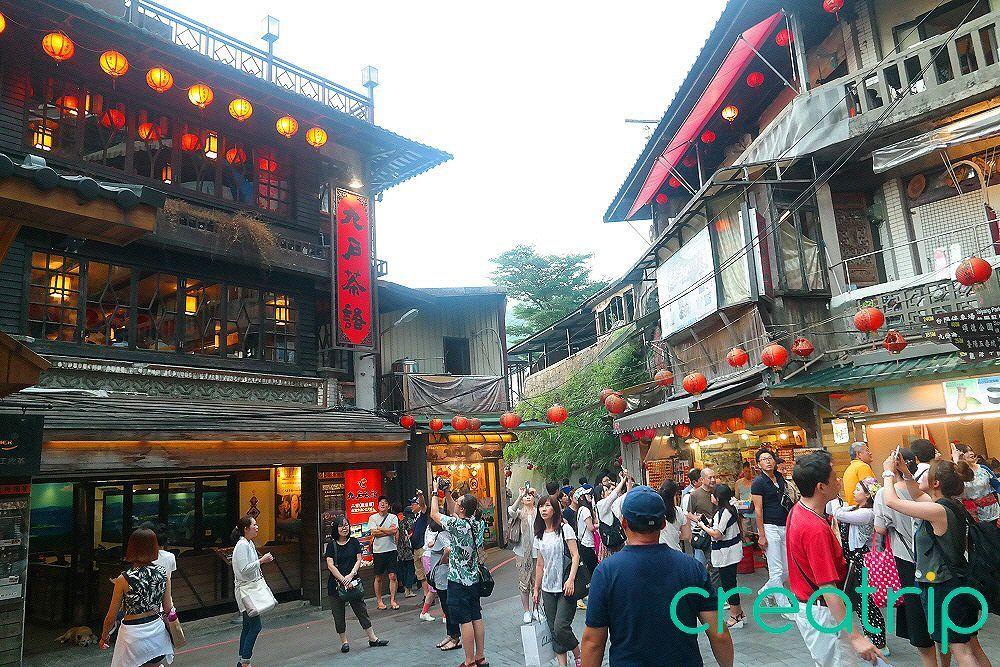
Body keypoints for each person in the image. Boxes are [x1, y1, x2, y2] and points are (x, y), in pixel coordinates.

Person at [581, 485, 733, 667]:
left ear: (623, 523)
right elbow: (719, 633)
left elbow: (593, 642)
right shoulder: (691, 568)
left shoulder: (606, 572)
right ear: (663, 523)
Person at [882, 447, 993, 666]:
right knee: (971, 644)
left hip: (944, 587)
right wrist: (904, 472)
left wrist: (887, 473)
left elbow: (892, 502)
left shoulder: (937, 510)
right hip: (957, 582)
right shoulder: (949, 505)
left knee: (960, 649)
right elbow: (916, 493)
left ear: (936, 484)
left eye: (926, 475)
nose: (920, 477)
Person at [786, 451, 882, 666]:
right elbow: (827, 587)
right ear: (821, 486)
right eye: (834, 477)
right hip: (822, 612)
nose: (838, 481)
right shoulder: (814, 528)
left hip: (812, 607)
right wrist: (855, 636)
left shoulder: (797, 511)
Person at [873, 447, 945, 667]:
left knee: (919, 624)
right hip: (934, 563)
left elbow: (880, 528)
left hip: (906, 562)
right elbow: (916, 491)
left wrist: (888, 474)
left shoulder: (884, 494)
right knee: (940, 622)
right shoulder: (928, 496)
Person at [429, 480, 489, 667]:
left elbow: (434, 514)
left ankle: (469, 661)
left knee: (465, 621)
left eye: (458, 501)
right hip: (473, 578)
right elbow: (452, 509)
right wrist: (446, 493)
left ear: (462, 509)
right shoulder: (476, 523)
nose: (455, 501)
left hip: (458, 579)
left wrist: (434, 492)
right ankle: (480, 657)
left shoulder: (457, 525)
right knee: (476, 616)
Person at [100, 528, 174, 667]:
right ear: (154, 547)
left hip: (132, 638)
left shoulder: (123, 579)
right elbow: (168, 608)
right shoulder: (163, 574)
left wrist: (104, 636)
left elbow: (111, 616)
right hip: (157, 635)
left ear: (131, 549)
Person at [831, 478, 887, 653]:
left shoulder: (868, 513)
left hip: (862, 562)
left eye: (858, 489)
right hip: (853, 561)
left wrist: (833, 492)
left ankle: (879, 641)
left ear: (868, 495)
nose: (854, 492)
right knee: (857, 600)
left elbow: (838, 513)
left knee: (866, 601)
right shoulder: (856, 509)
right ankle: (869, 636)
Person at [324, 515, 388, 652]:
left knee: (361, 610)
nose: (344, 527)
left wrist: (351, 575)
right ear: (336, 528)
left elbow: (358, 560)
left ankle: (372, 638)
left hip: (353, 582)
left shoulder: (354, 542)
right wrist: (343, 579)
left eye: (346, 525)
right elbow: (330, 565)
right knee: (338, 614)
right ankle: (344, 642)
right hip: (336, 585)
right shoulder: (332, 545)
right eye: (341, 525)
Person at [533, 494, 582, 667]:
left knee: (561, 627)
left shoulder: (564, 529)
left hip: (565, 586)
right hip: (547, 588)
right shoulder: (539, 535)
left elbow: (576, 555)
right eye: (541, 506)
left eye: (547, 506)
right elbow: (539, 564)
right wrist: (536, 589)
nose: (543, 509)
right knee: (554, 630)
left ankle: (577, 653)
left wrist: (570, 580)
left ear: (555, 509)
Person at [693, 484, 746, 629]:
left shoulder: (724, 512)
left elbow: (717, 534)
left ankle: (735, 616)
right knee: (730, 582)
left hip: (726, 554)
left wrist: (703, 527)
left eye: (713, 494)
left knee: (729, 585)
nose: (711, 497)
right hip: (731, 552)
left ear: (718, 497)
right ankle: (739, 613)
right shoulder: (730, 509)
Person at [750, 448, 791, 608]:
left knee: (787, 570)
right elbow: (758, 509)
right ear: (759, 464)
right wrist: (761, 534)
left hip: (784, 525)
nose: (768, 461)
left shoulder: (780, 478)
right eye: (764, 459)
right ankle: (784, 606)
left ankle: (765, 591)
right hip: (769, 526)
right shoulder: (758, 482)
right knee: (776, 569)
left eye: (770, 458)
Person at [231, 516, 272, 667]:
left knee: (248, 626)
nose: (257, 527)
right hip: (246, 591)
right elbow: (244, 569)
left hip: (248, 589)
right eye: (254, 525)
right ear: (245, 529)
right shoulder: (242, 545)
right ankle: (245, 661)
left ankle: (242, 660)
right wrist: (262, 561)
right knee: (255, 626)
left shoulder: (249, 543)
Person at [508, 484, 539, 624]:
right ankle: (527, 611)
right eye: (526, 496)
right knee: (524, 582)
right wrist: (519, 495)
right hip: (522, 553)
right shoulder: (519, 513)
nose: (528, 497)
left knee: (537, 583)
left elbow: (553, 509)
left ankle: (537, 609)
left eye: (530, 495)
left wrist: (537, 494)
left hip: (538, 553)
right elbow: (510, 511)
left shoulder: (539, 511)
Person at [686, 467, 719, 587]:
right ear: (702, 479)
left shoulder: (718, 491)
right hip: (705, 533)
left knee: (717, 564)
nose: (713, 480)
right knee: (710, 563)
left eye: (714, 477)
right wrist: (699, 520)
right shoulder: (695, 494)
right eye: (710, 477)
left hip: (719, 531)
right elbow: (689, 513)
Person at [367, 496, 400, 610]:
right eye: (381, 503)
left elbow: (395, 530)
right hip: (378, 551)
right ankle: (379, 601)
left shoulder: (393, 517)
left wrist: (380, 529)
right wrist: (388, 531)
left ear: (388, 506)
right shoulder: (372, 517)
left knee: (393, 576)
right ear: (377, 505)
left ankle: (392, 600)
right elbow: (373, 532)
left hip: (391, 549)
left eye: (385, 503)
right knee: (378, 577)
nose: (383, 504)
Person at [955, 443, 1000, 523]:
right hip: (974, 515)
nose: (971, 453)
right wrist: (956, 461)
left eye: (971, 450)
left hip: (994, 511)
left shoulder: (983, 468)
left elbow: (997, 485)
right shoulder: (957, 474)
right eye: (966, 452)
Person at [574, 487, 599, 609]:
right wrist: (600, 524)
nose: (591, 496)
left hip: (583, 543)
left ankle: (585, 594)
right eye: (588, 494)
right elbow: (590, 527)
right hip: (588, 544)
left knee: (587, 570)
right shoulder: (586, 511)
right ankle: (592, 594)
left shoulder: (580, 509)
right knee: (592, 570)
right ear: (582, 497)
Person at [140, 522, 175, 606]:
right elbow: (168, 578)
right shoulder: (170, 557)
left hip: (146, 600)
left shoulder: (144, 558)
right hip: (165, 598)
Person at [656, 480, 690, 550]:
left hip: (658, 551)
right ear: (674, 495)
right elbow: (686, 535)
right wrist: (675, 534)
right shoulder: (678, 511)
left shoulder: (654, 510)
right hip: (675, 550)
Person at [410, 492, 430, 597]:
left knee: (426, 573)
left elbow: (423, 505)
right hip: (416, 549)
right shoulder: (415, 517)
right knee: (421, 575)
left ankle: (430, 595)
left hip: (422, 547)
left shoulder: (422, 514)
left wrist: (421, 496)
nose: (411, 506)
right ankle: (426, 595)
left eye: (413, 504)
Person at [397, 505, 417, 597]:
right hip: (408, 548)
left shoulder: (400, 521)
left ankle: (405, 587)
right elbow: (412, 534)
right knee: (410, 569)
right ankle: (408, 590)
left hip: (400, 549)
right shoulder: (410, 521)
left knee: (403, 569)